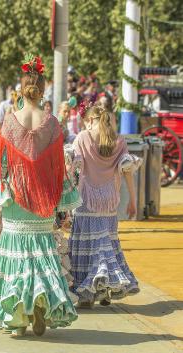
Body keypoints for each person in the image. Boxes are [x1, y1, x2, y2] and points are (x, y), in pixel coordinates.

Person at [0, 55, 79, 337]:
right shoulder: (52, 123)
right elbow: (58, 166)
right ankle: (40, 306)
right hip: (43, 198)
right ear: (43, 90)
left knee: (17, 258)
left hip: (15, 198)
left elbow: (3, 166)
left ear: (21, 90)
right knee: (42, 256)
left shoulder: (9, 122)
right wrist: (59, 203)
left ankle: (17, 318)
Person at [69, 105, 141, 308]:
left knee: (87, 246)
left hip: (86, 199)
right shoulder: (119, 141)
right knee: (106, 243)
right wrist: (133, 201)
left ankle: (87, 293)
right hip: (109, 201)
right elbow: (127, 173)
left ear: (91, 119)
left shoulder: (82, 137)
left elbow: (73, 168)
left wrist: (64, 198)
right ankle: (105, 288)